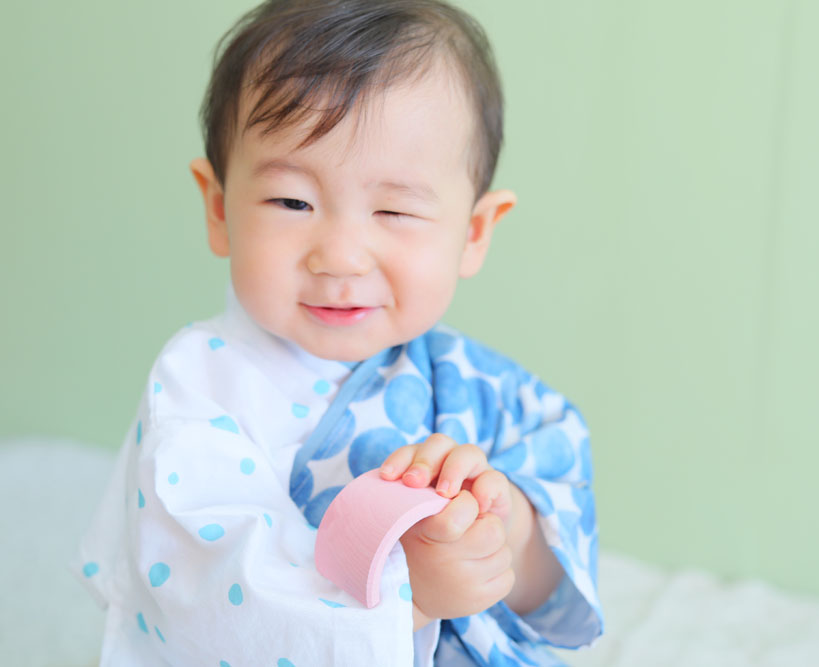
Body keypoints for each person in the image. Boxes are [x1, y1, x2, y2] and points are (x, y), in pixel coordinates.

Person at [74, 0, 602, 664]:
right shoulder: (202, 385)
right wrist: (409, 597)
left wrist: (507, 533)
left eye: (394, 210)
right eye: (292, 201)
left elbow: (555, 564)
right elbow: (210, 588)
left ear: (473, 233)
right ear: (219, 207)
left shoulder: (477, 386)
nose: (341, 257)